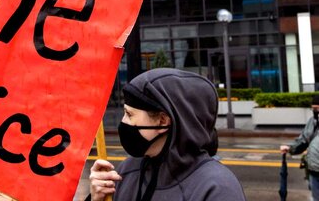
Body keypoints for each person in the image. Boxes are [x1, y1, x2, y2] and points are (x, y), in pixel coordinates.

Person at [88, 68, 245, 201]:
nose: (123, 122)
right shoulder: (126, 171)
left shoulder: (217, 188)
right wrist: (97, 198)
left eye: (129, 115)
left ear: (163, 121)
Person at [280, 94, 319, 199]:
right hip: (313, 170)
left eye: (318, 108)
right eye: (314, 108)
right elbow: (304, 140)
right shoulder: (312, 122)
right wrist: (290, 148)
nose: (315, 111)